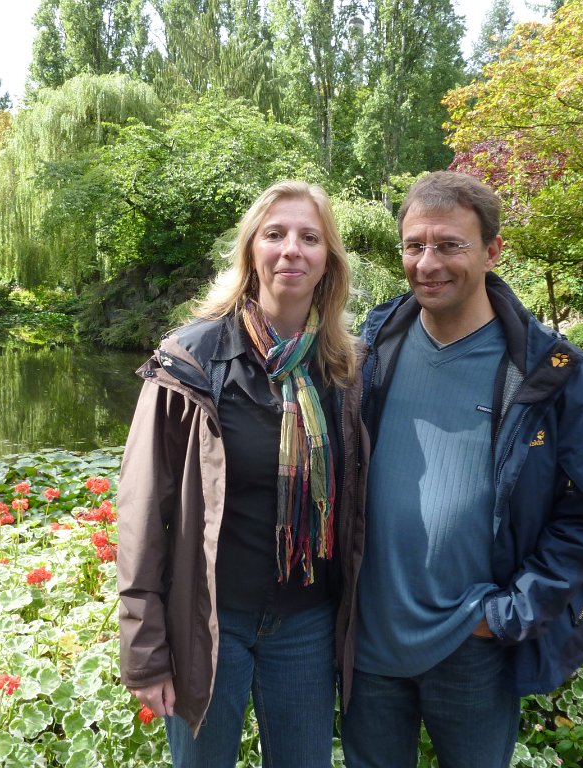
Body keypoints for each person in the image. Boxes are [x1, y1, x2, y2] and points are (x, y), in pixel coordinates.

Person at [338, 171, 583, 768]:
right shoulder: (373, 348)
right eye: (414, 245)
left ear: (493, 251)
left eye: (450, 245)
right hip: (368, 645)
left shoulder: (549, 370)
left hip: (471, 648)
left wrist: (505, 616)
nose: (428, 262)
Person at [116, 180, 367, 768]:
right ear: (250, 252)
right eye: (274, 235)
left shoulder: (342, 369)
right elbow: (141, 512)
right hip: (210, 626)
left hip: (307, 625)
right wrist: (147, 650)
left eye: (310, 237)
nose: (291, 250)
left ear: (328, 260)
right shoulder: (192, 360)